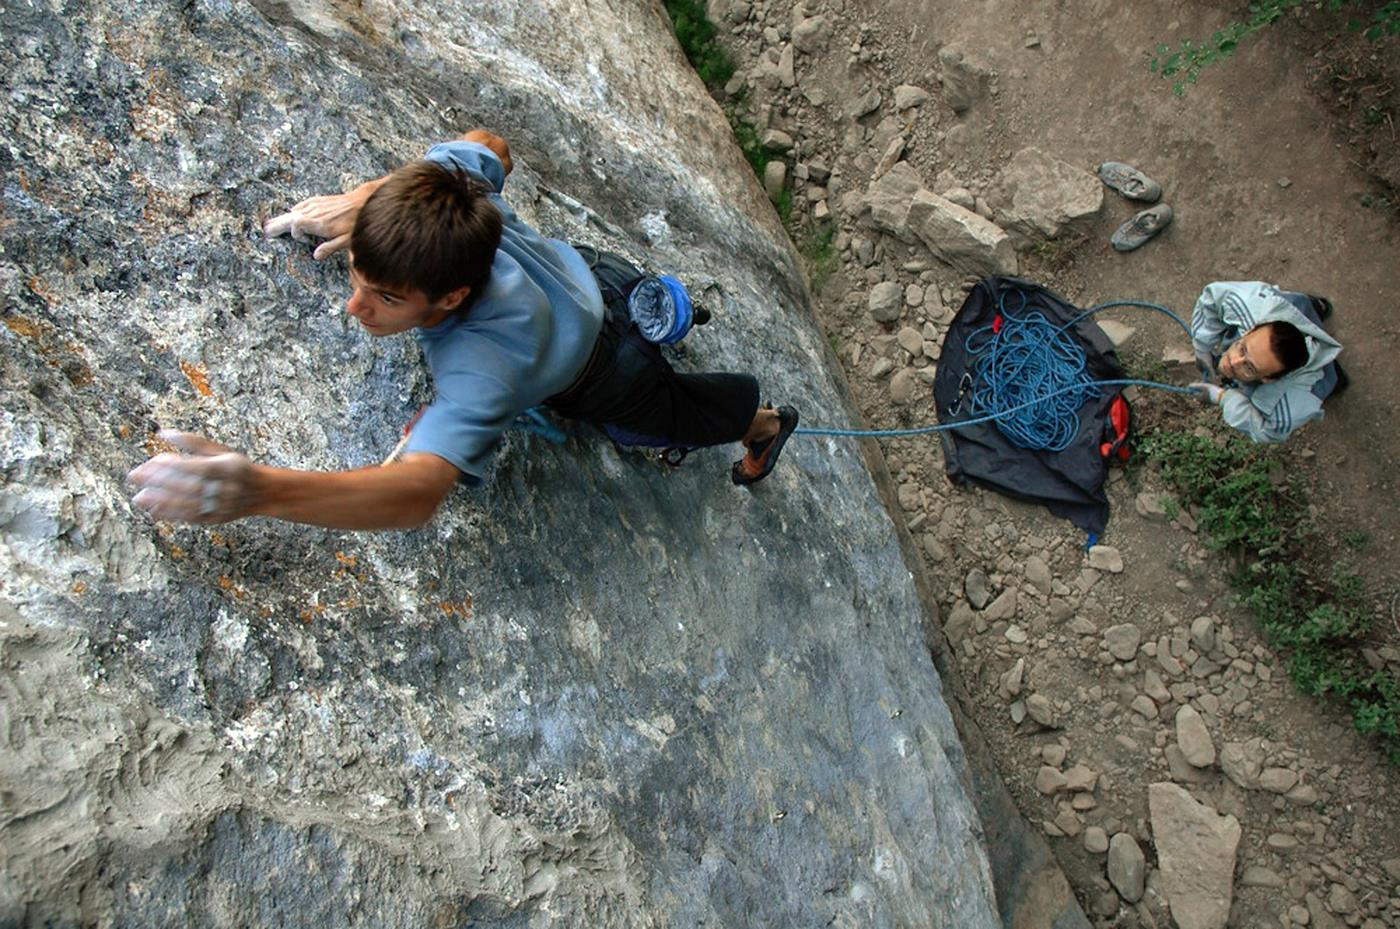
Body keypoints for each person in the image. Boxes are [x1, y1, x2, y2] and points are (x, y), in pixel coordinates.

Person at [128, 130, 799, 529]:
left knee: (662, 416)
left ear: (451, 297)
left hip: (605, 374)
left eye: (383, 296)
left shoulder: (481, 363)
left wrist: (262, 490)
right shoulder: (463, 200)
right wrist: (370, 204)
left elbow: (416, 493)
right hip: (592, 277)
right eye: (358, 277)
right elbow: (489, 144)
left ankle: (764, 424)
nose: (353, 308)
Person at [1188, 280, 1344, 443]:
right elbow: (1212, 300)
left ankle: (1334, 376)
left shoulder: (1292, 404)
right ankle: (1316, 306)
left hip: (1311, 378)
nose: (1233, 362)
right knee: (1301, 305)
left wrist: (1223, 398)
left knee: (1327, 376)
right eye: (1242, 349)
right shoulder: (1247, 303)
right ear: (1250, 330)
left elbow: (1268, 432)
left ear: (1270, 379)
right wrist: (1202, 347)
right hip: (1294, 307)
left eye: (1249, 367)